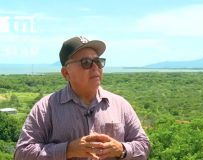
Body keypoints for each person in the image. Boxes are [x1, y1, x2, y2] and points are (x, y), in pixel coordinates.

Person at [14, 36, 151, 160]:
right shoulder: (45, 108)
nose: (95, 67)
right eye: (86, 62)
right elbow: (22, 153)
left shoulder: (120, 105)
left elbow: (144, 145)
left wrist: (121, 149)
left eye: (98, 61)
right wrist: (68, 150)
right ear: (66, 72)